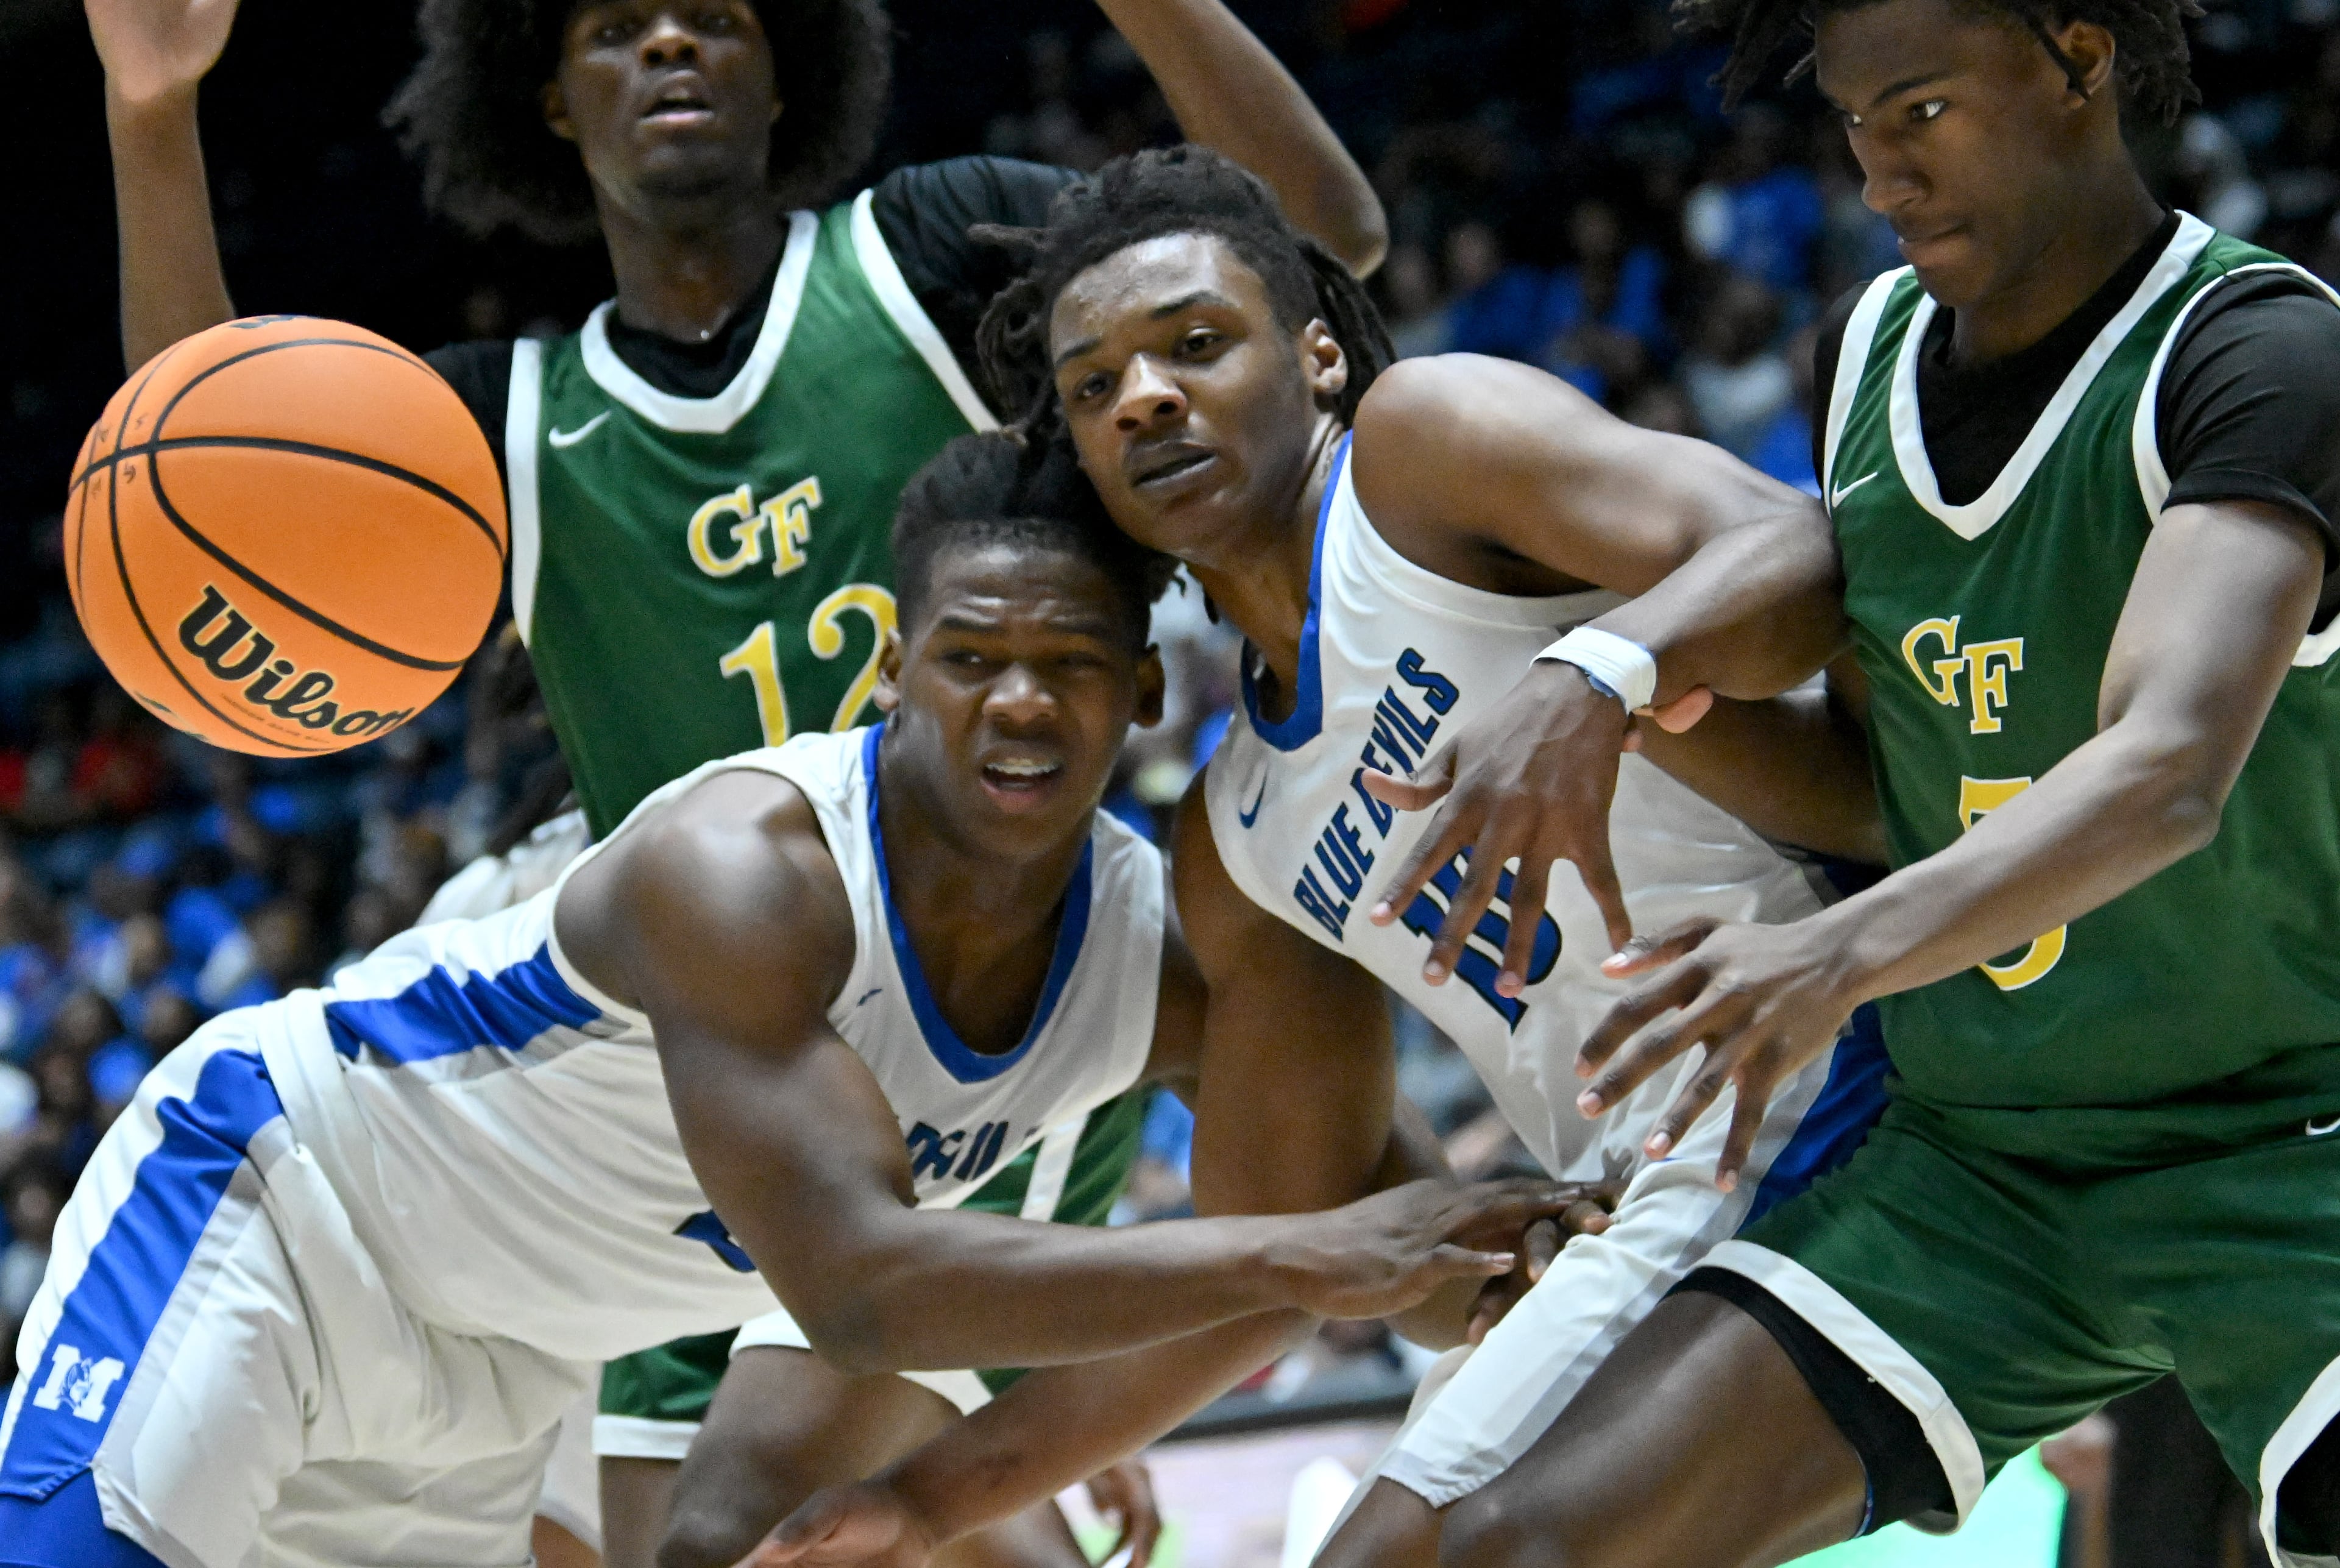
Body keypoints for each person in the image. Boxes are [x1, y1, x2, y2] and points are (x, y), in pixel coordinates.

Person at [86, 0, 1388, 1556]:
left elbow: (1314, 250)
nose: (671, 51)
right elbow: (202, 497)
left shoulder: (922, 264)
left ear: (793, 65)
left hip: (966, 1046)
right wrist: (153, 117)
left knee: (764, 1528)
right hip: (688, 1103)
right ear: (550, 101)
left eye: (714, 17)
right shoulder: (515, 424)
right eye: (616, 29)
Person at [0, 445, 1561, 1568]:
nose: (1019, 700)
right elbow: (868, 1295)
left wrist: (1550, 1254)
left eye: (1071, 663)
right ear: (894, 672)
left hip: (500, 1386)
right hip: (283, 1215)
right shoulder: (744, 873)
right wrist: (1312, 1253)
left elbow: (1377, 1242)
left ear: (1144, 692)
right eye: (971, 659)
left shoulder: (1150, 958)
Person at [1238, 0, 2340, 1561]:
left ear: (2082, 60)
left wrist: (1825, 954)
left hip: (2283, 1140)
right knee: (1509, 1548)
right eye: (1855, 126)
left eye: (1923, 113)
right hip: (1986, 1174)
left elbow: (2164, 771)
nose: (1880, 175)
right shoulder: (1871, 350)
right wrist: (1598, 682)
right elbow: (1874, 769)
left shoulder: (2260, 352)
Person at [720, 143, 1894, 1568]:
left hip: (1831, 1064)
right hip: (1647, 1185)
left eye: (1196, 346)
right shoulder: (1234, 838)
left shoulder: (1424, 449)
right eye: (1095, 388)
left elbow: (1799, 560)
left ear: (1321, 355)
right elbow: (1281, 1255)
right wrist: (931, 1500)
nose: (1145, 394)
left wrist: (1593, 675)